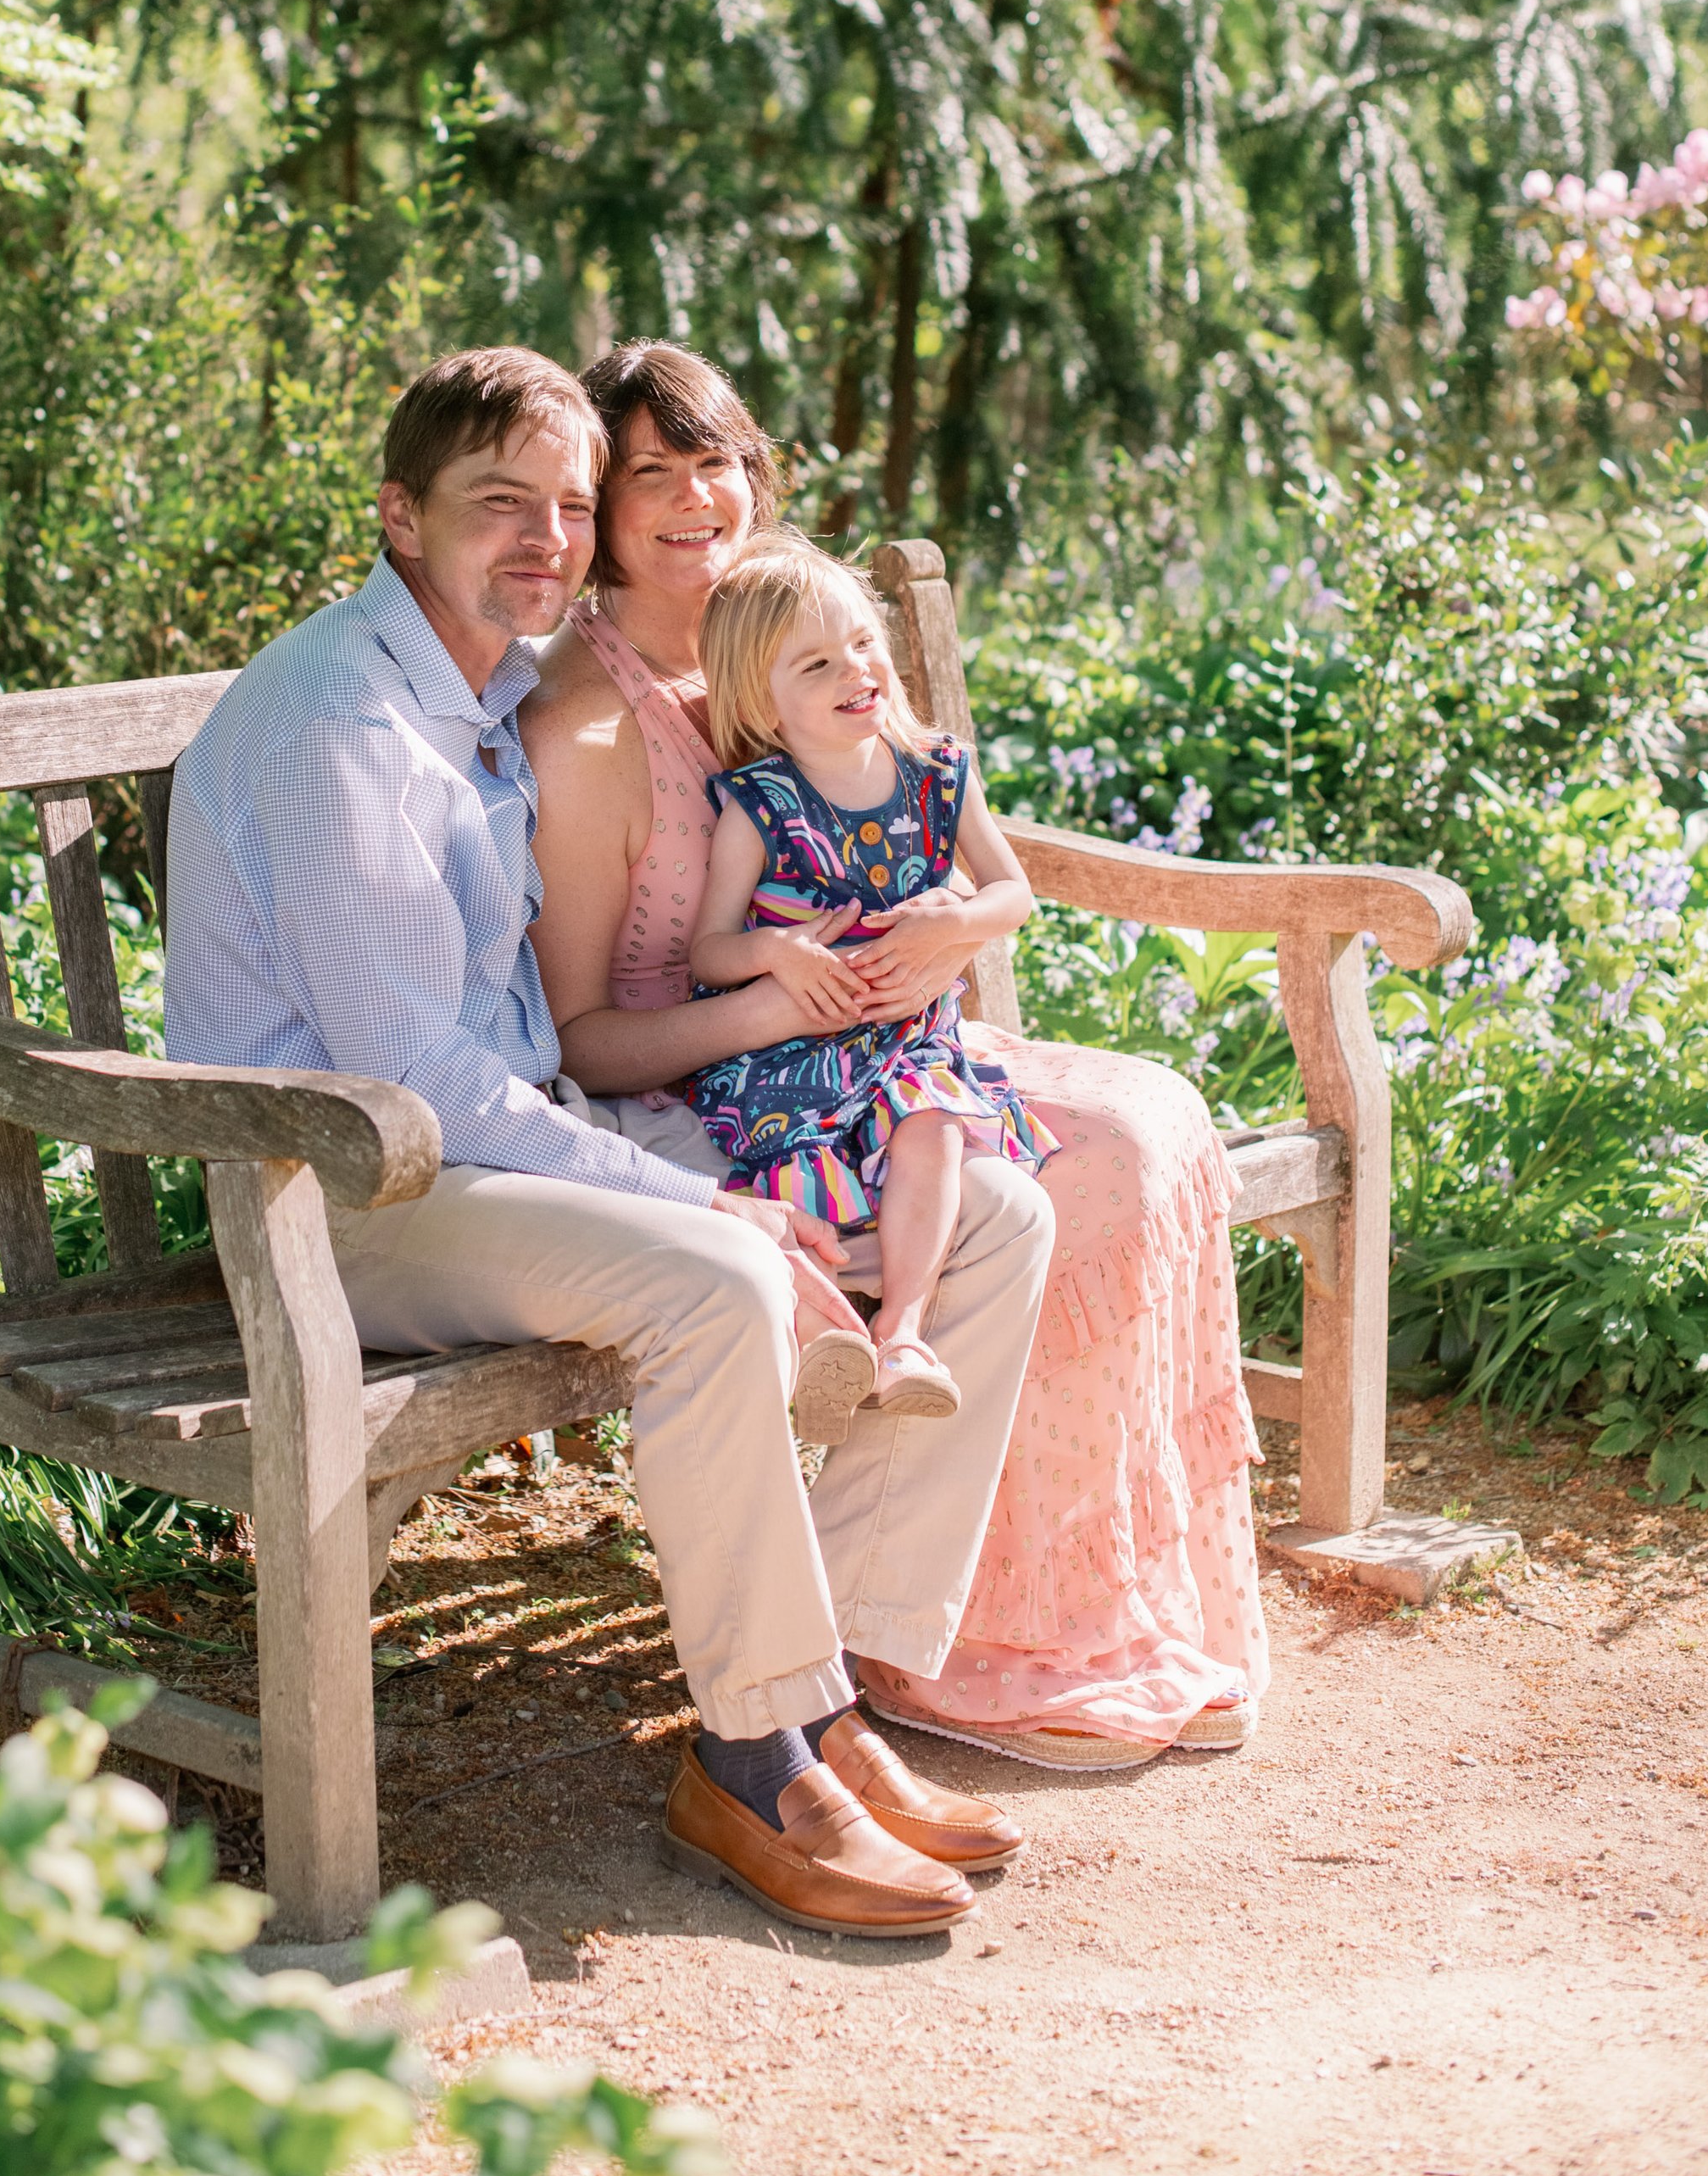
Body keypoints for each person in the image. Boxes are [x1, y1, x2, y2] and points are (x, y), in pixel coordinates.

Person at [163, 344, 1054, 1936]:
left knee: (988, 1209)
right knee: (714, 1277)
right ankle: (752, 1763)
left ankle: (827, 1695)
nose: (545, 539)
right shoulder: (342, 725)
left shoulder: (487, 689)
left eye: (568, 507)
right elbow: (412, 1084)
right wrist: (675, 1191)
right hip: (342, 1196)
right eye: (498, 504)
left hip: (506, 1157)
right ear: (397, 515)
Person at [524, 340, 1268, 1771]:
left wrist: (936, 942)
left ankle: (1037, 1615)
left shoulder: (795, 648)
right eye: (651, 475)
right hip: (726, 1093)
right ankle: (956, 1641)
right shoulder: (589, 728)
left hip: (890, 1052)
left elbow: (960, 853)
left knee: (1155, 1127)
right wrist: (780, 1005)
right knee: (1070, 1179)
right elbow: (587, 1047)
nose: (697, 496)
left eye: (718, 458)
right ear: (595, 510)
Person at [686, 531, 1054, 1422]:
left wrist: (958, 920)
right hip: (795, 1053)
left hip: (904, 1040)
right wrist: (775, 952)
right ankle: (818, 1348)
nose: (855, 669)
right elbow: (708, 951)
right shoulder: (761, 804)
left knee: (930, 1128)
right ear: (763, 704)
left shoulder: (935, 773)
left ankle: (904, 1331)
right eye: (815, 664)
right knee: (794, 1170)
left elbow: (1015, 895)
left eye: (861, 643)